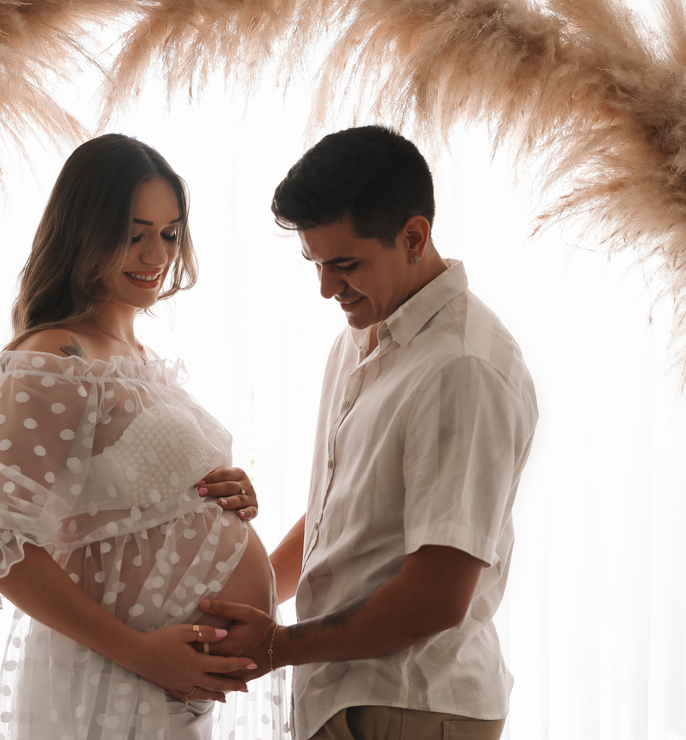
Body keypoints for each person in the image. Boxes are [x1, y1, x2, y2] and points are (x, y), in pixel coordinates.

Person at [0, 134, 286, 740]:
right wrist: (141, 653)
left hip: (165, 689)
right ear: (85, 231)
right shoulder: (55, 357)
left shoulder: (142, 360)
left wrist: (220, 494)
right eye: (133, 233)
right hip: (119, 678)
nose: (157, 254)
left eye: (170, 233)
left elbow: (123, 504)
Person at [203, 126, 538, 740]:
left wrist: (277, 646)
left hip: (413, 703)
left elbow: (436, 598)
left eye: (345, 264)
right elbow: (344, 517)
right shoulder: (361, 335)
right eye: (316, 264)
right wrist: (250, 603)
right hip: (349, 695)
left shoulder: (462, 368)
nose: (326, 288)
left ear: (413, 237)